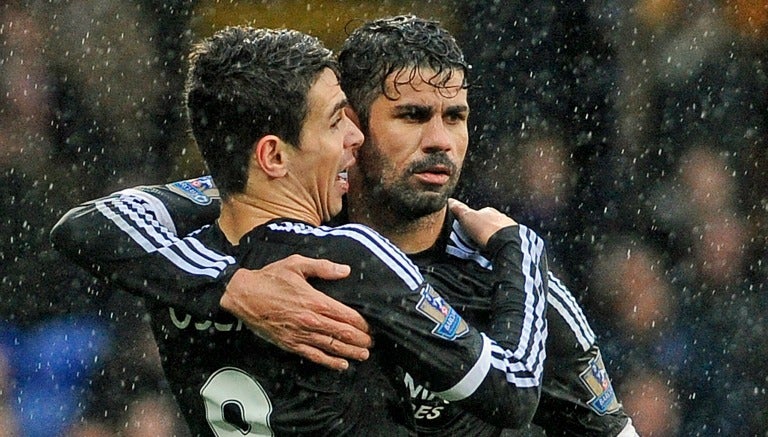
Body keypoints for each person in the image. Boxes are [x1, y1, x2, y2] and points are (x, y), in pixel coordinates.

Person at [53, 16, 636, 436]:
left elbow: (91, 226)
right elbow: (510, 396)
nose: (439, 140)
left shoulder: (208, 226)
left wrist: (225, 286)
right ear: (353, 126)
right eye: (411, 116)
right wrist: (522, 248)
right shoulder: (488, 268)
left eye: (454, 117)